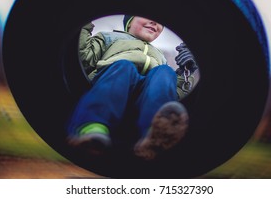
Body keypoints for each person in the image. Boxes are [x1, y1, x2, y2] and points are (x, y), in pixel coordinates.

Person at [66, 15, 198, 160]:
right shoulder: (108, 38)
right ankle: (91, 127)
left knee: (165, 72)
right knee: (124, 66)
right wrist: (83, 24)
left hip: (144, 98)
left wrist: (184, 72)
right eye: (147, 16)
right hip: (113, 83)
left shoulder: (161, 58)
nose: (154, 22)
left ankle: (154, 134)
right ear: (129, 22)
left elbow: (171, 93)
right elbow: (83, 57)